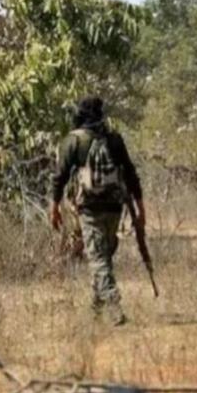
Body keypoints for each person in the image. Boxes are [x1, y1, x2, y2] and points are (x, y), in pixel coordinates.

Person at [50, 96, 145, 325]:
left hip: (89, 208)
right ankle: (95, 311)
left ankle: (114, 306)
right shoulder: (114, 140)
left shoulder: (74, 141)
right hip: (114, 207)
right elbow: (130, 174)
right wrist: (141, 208)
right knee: (103, 256)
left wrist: (54, 207)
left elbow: (60, 177)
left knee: (98, 258)